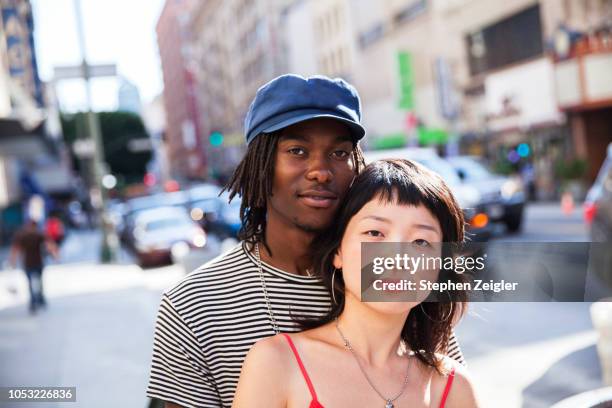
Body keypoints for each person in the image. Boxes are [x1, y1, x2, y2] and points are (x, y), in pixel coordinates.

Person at [146, 74, 464, 408]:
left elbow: (441, 382)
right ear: (261, 164)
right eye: (297, 150)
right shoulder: (193, 305)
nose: (320, 171)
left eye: (339, 153)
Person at [233, 159, 480, 407]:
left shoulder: (453, 386)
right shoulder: (278, 362)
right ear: (338, 251)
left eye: (420, 242)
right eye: (375, 233)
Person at [9, 219, 59, 314]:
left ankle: (35, 301)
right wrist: (55, 256)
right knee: (38, 282)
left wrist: (13, 262)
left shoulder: (25, 236)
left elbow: (15, 249)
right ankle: (38, 299)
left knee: (33, 283)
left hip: (30, 263)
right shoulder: (37, 235)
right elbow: (50, 245)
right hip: (36, 263)